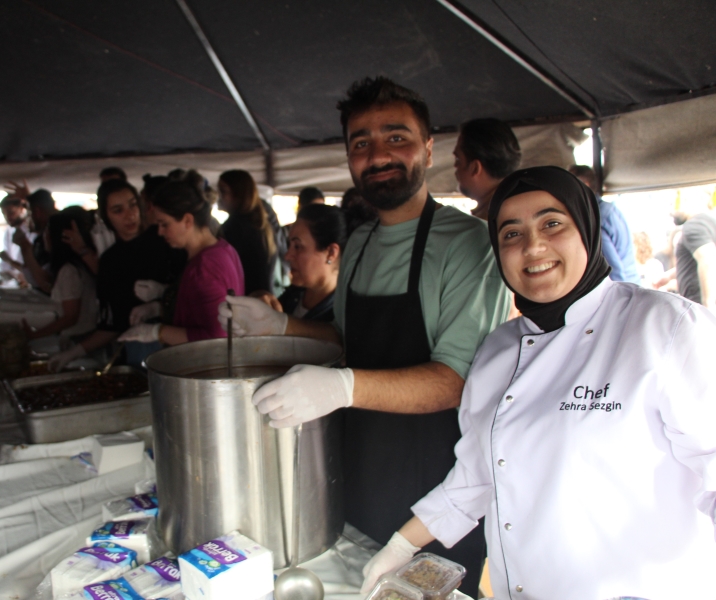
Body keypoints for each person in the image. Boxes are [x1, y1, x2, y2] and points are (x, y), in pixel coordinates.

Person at [360, 166, 716, 599]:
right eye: (511, 233)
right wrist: (400, 546)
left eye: (552, 223)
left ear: (586, 228)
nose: (533, 246)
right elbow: (476, 475)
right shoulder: (497, 352)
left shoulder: (665, 327)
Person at [220, 77, 509, 596]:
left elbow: (455, 381)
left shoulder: (468, 245)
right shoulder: (359, 243)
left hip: (435, 488)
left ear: (427, 147)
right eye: (360, 142)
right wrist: (283, 326)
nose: (377, 154)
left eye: (396, 137)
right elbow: (347, 342)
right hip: (356, 469)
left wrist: (342, 388)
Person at [48, 179, 184, 370]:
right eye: (118, 210)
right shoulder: (111, 262)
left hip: (182, 340)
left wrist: (164, 297)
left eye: (133, 205)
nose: (130, 215)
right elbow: (112, 325)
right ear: (106, 216)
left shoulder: (164, 238)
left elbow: (195, 288)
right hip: (141, 349)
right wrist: (75, 351)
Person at [120, 180, 243, 345]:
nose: (160, 232)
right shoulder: (224, 248)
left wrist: (158, 332)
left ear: (187, 220)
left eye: (165, 224)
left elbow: (216, 337)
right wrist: (161, 307)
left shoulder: (205, 266)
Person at [253, 203, 347, 322]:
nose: (288, 256)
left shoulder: (343, 314)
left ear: (331, 253)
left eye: (297, 246)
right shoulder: (294, 294)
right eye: (289, 245)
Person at [24, 207, 99, 342]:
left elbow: (70, 317)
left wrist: (35, 334)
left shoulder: (68, 271)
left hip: (79, 338)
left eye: (47, 231)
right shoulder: (75, 266)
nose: (44, 237)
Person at [569, 164, 641, 284]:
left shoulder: (596, 218)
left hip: (623, 289)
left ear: (585, 185)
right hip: (631, 283)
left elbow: (612, 269)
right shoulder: (609, 209)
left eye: (569, 185)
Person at [218, 169, 276, 294]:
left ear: (238, 194)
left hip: (245, 298)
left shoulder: (236, 228)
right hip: (259, 295)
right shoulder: (260, 223)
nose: (220, 197)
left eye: (223, 192)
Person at [453, 118, 521, 221]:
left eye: (458, 159)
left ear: (475, 168)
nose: (455, 166)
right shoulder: (524, 206)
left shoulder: (485, 225)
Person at [675, 199, 716, 310]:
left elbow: (707, 261)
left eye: (675, 204)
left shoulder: (694, 225)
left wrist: (709, 307)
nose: (672, 211)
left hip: (699, 308)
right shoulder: (709, 222)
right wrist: (669, 275)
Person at [0, 194, 36, 284]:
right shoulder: (8, 232)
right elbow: (5, 265)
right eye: (4, 214)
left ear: (21, 209)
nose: (8, 217)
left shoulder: (30, 230)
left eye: (11, 212)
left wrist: (10, 261)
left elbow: (32, 266)